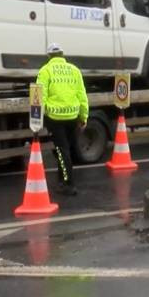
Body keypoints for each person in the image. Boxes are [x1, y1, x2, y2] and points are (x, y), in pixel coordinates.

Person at [36, 43, 88, 195]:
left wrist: (37, 119)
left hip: (55, 118)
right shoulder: (74, 70)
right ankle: (62, 179)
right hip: (72, 117)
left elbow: (40, 96)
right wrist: (83, 117)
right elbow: (82, 96)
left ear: (49, 56)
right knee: (65, 150)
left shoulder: (45, 71)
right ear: (62, 55)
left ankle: (68, 184)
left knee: (61, 150)